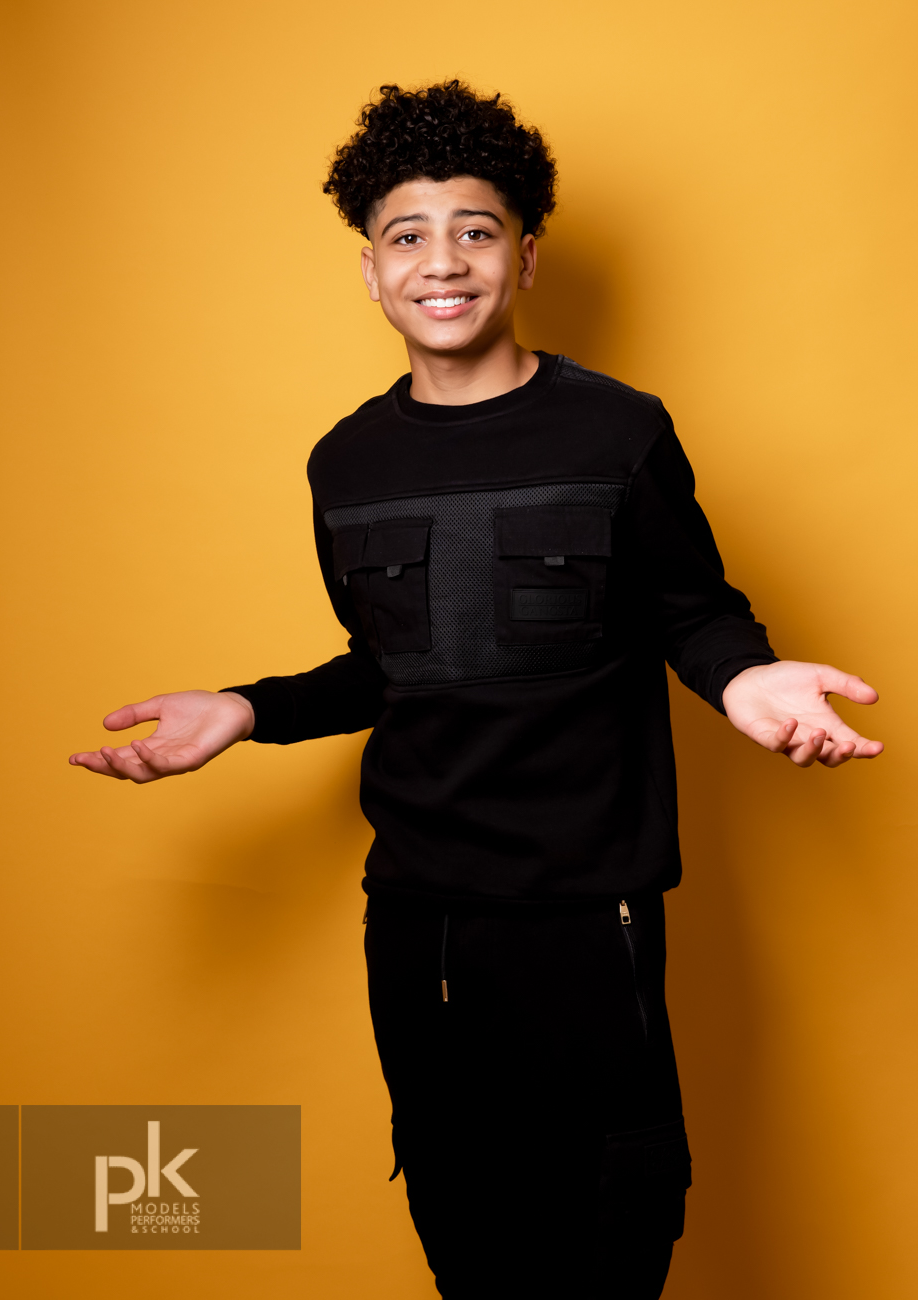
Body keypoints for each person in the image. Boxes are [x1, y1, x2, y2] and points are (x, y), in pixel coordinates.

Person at [70, 81, 883, 1299]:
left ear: (525, 255)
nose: (441, 261)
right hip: (418, 923)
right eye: (407, 235)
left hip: (588, 911)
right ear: (370, 270)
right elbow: (391, 665)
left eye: (474, 230)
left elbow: (690, 608)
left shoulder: (617, 431)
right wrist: (246, 709)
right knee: (466, 1236)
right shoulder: (345, 461)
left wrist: (743, 676)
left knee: (611, 1231)